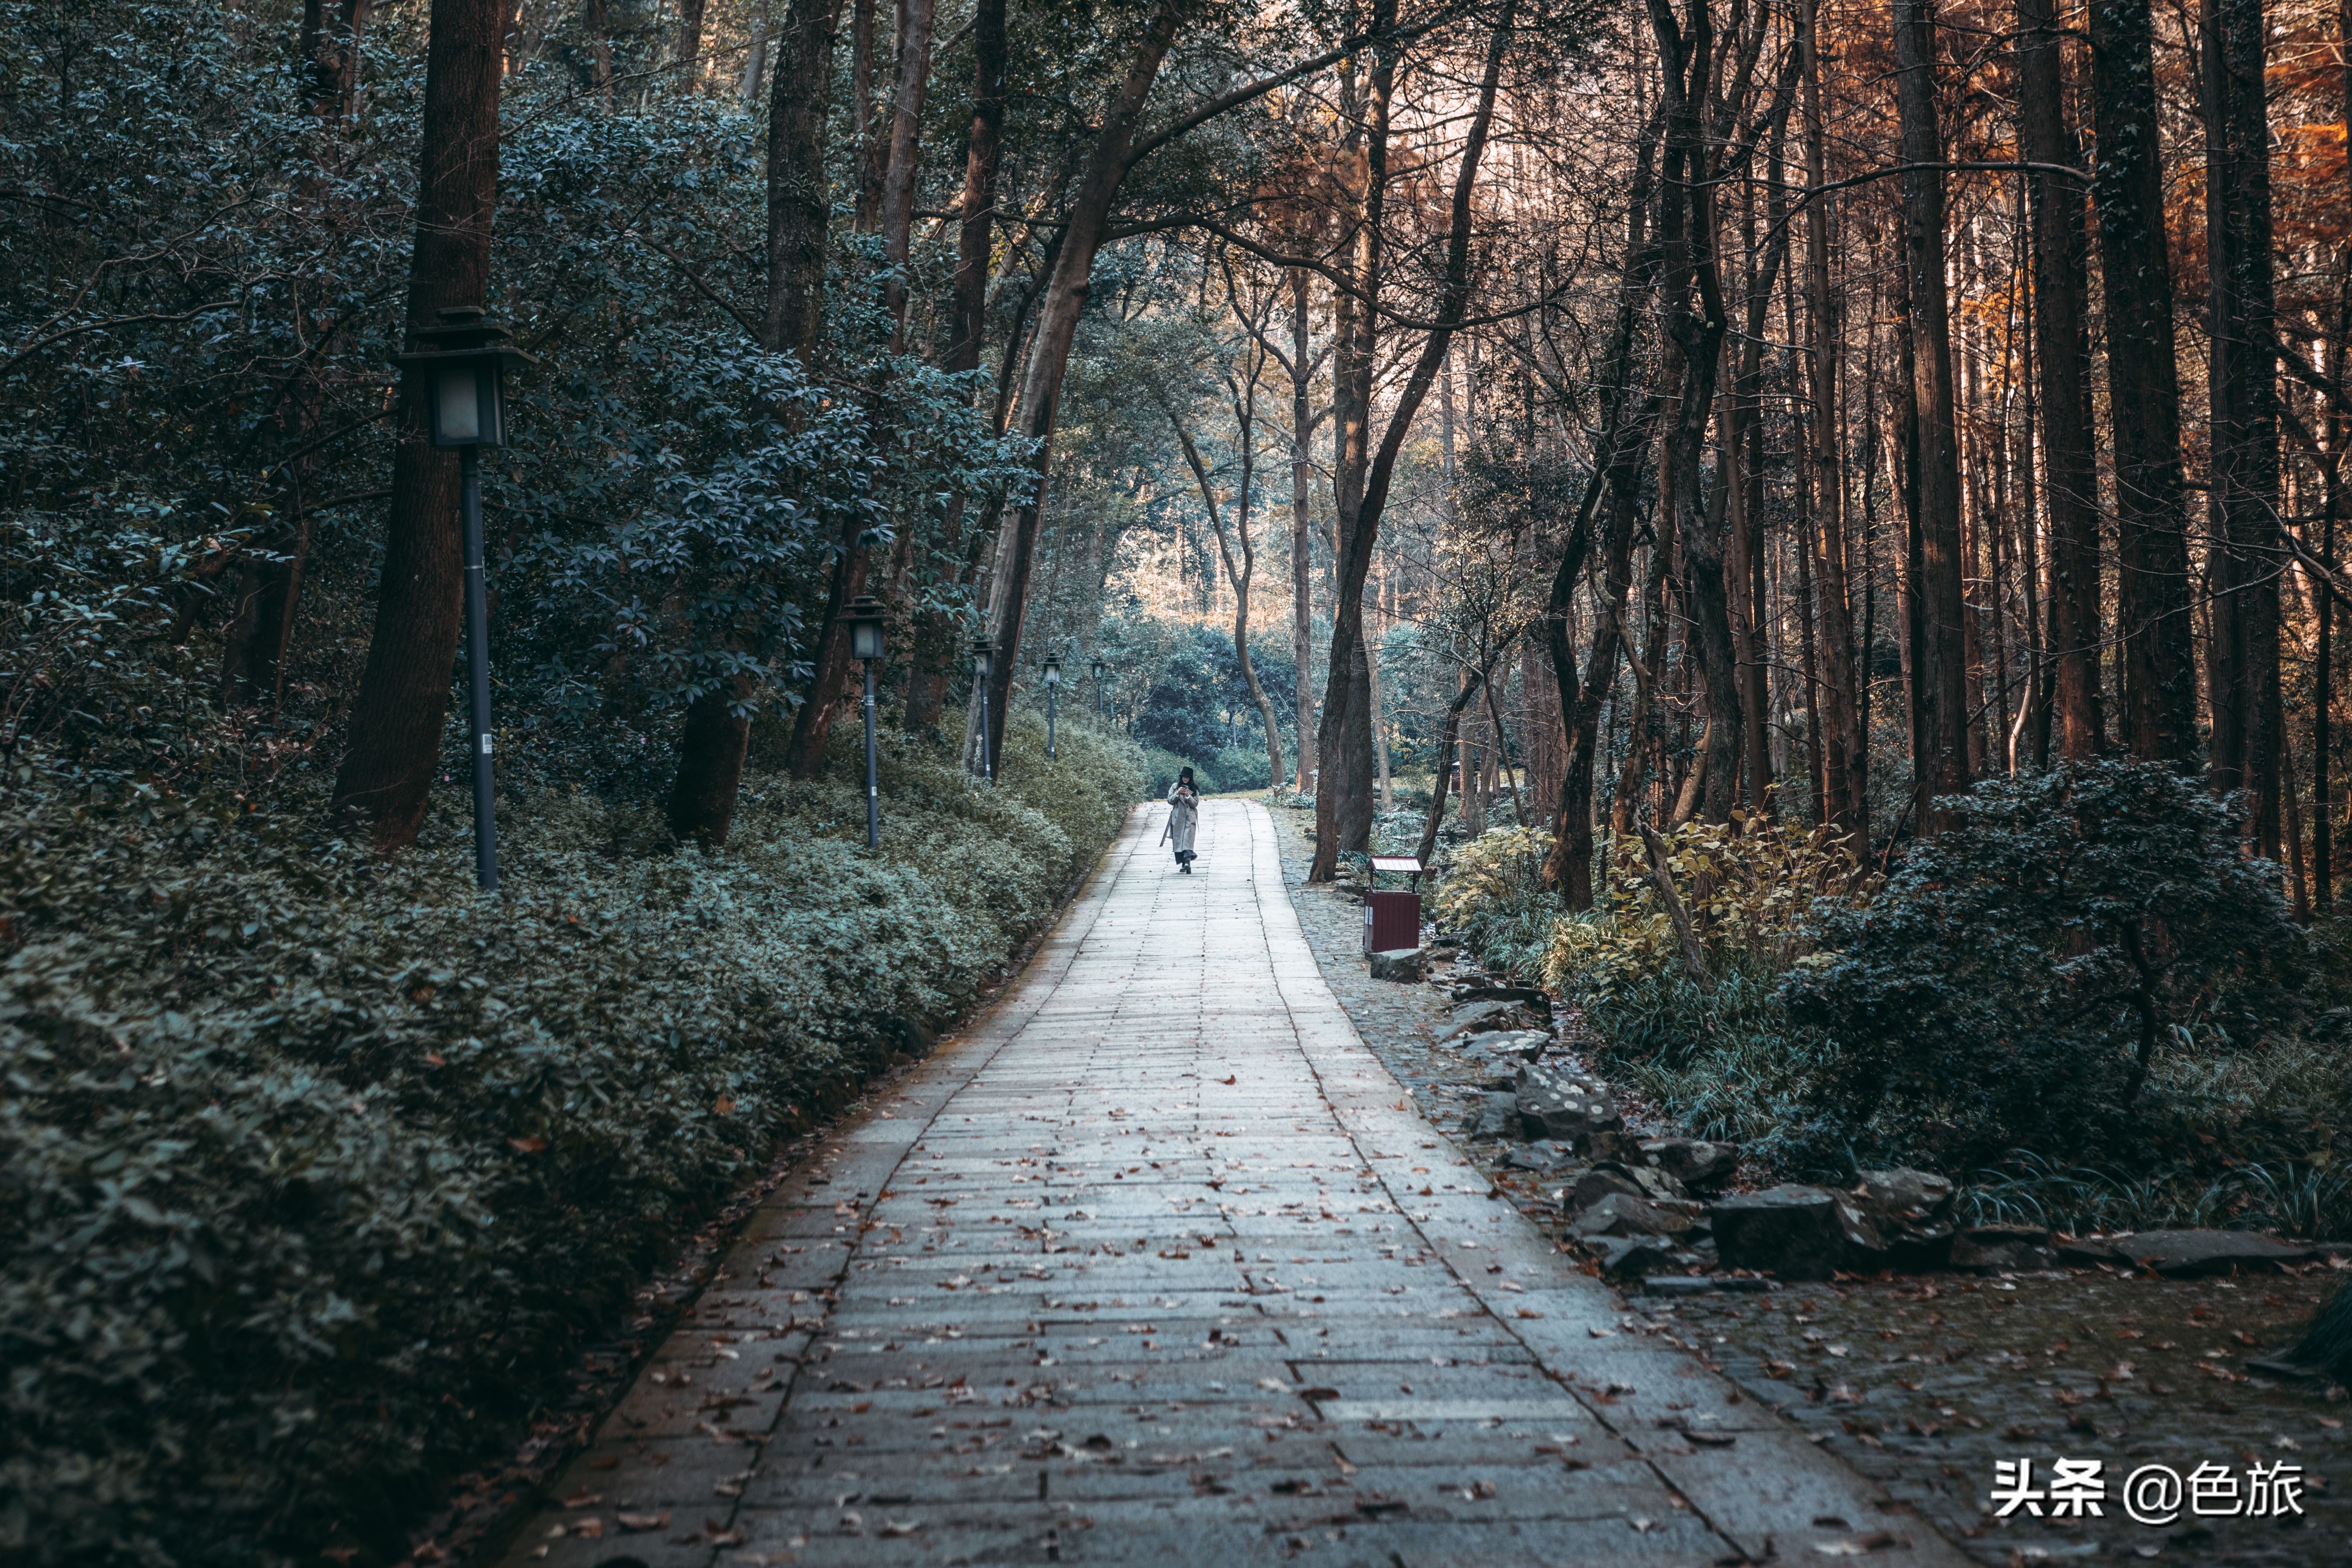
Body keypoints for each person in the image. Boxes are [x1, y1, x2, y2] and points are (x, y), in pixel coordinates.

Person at [1165, 768, 1200, 873]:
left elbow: (1195, 804)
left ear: (1190, 778)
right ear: (1181, 777)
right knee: (1179, 842)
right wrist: (1178, 793)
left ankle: (1188, 862)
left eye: (1187, 777)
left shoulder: (1195, 789)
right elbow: (1170, 801)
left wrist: (1188, 795)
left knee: (1187, 841)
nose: (1185, 778)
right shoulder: (1175, 787)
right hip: (1178, 818)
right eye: (1184, 777)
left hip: (1190, 818)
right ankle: (1184, 864)